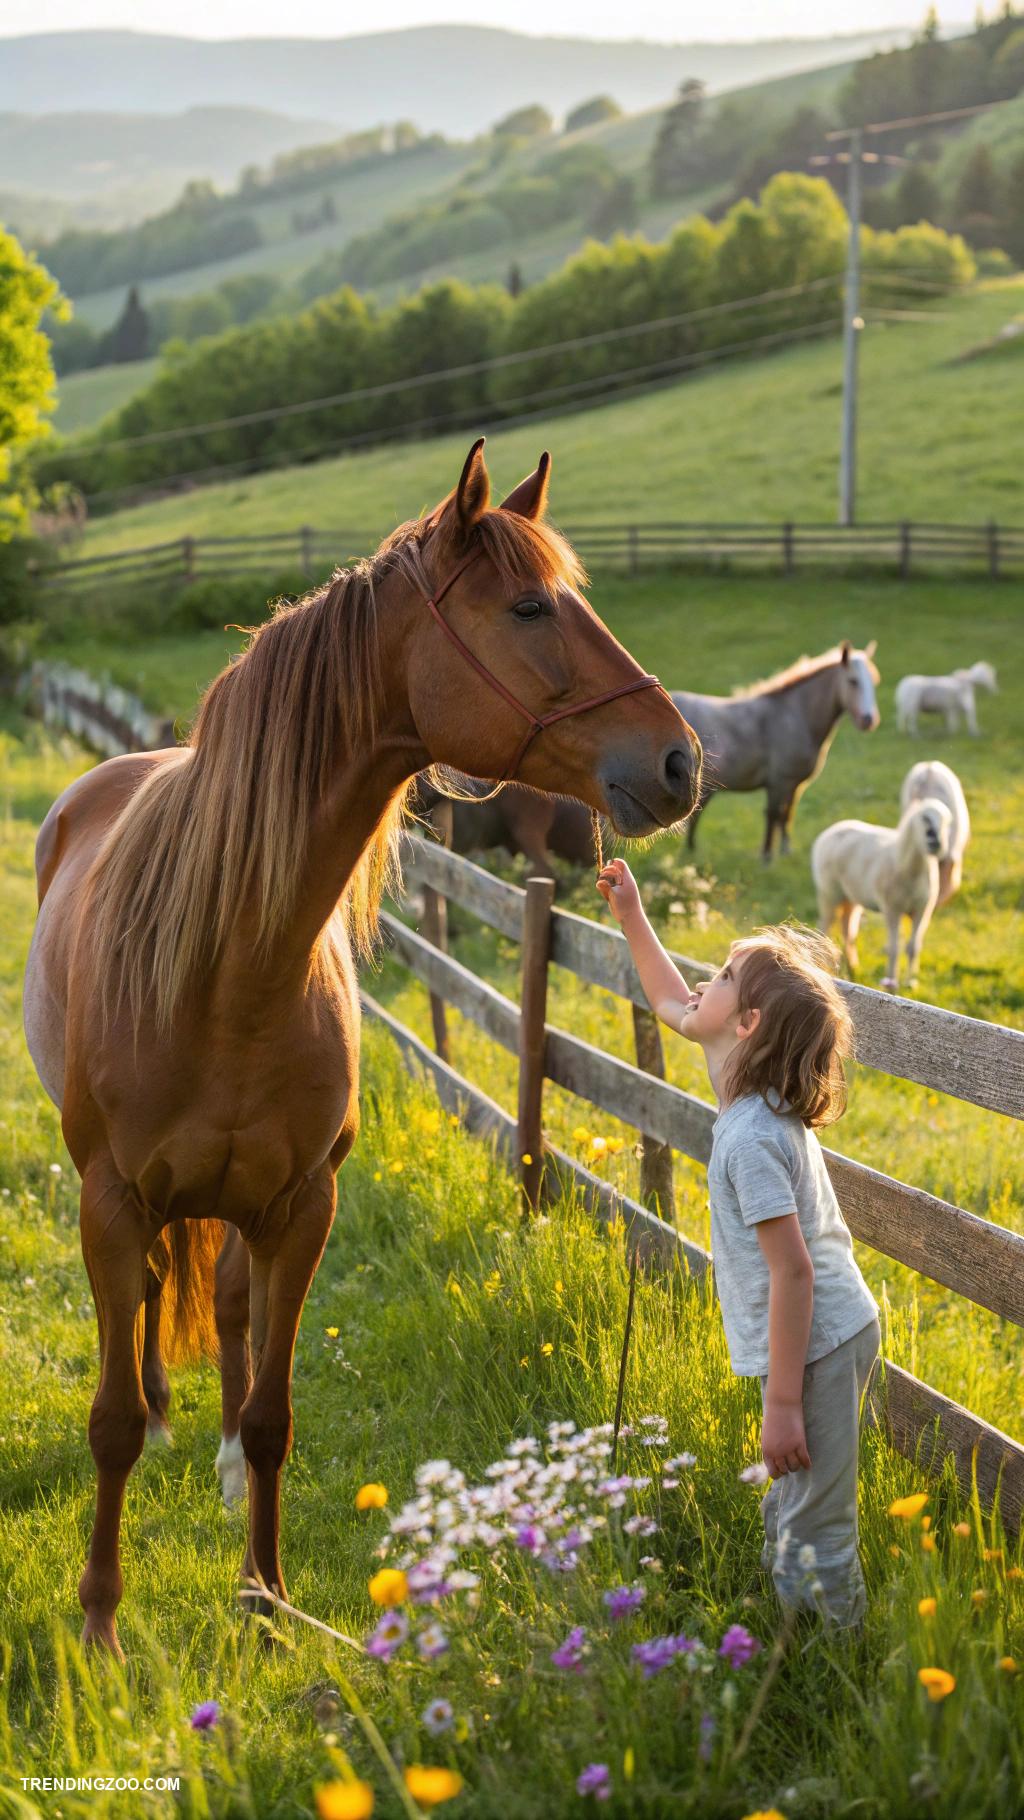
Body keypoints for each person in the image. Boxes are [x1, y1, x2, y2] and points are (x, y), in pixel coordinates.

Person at [597, 857, 881, 1628]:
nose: (701, 982)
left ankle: (835, 1658)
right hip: (813, 1337)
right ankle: (787, 1614)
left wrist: (783, 1401)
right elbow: (668, 999)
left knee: (819, 1513)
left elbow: (792, 1274)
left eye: (722, 975)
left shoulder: (752, 1138)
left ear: (746, 1025)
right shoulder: (743, 1084)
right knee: (798, 1488)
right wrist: (632, 914)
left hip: (816, 1341)